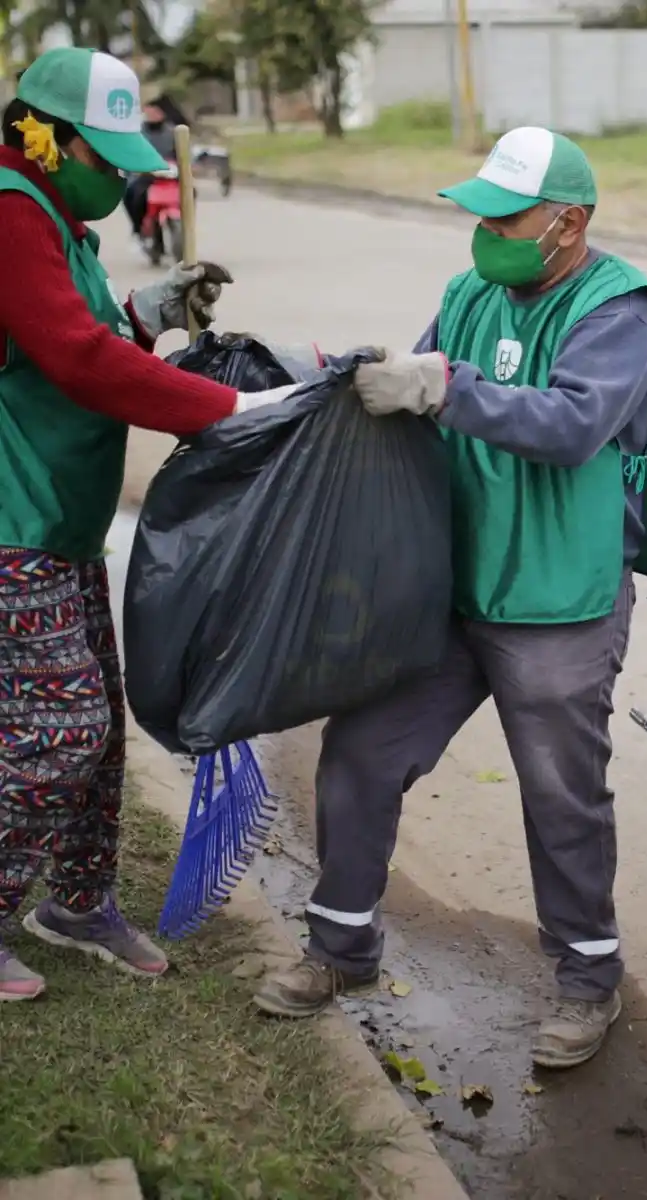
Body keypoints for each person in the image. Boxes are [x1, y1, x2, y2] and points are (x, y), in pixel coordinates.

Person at [254, 126, 647, 1070]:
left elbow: (573, 423)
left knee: (559, 794)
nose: (485, 230)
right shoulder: (470, 293)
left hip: (558, 599)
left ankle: (587, 983)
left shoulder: (620, 313)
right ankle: (341, 948)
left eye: (507, 215)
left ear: (568, 225)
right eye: (480, 211)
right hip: (453, 586)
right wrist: (339, 385)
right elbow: (418, 392)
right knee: (363, 750)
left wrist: (443, 388)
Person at [0, 47, 299, 1001]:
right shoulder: (9, 214)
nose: (123, 174)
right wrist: (228, 411)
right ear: (48, 137)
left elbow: (76, 332)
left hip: (61, 517)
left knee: (99, 727)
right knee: (61, 728)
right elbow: (77, 359)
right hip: (13, 521)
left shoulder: (54, 219)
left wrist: (147, 310)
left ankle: (78, 902)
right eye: (110, 155)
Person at [122, 95, 176, 238]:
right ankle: (138, 229)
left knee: (190, 192)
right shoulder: (136, 133)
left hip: (170, 176)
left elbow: (182, 155)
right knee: (132, 194)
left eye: (156, 111)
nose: (153, 114)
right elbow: (129, 154)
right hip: (143, 175)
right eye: (150, 111)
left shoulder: (174, 132)